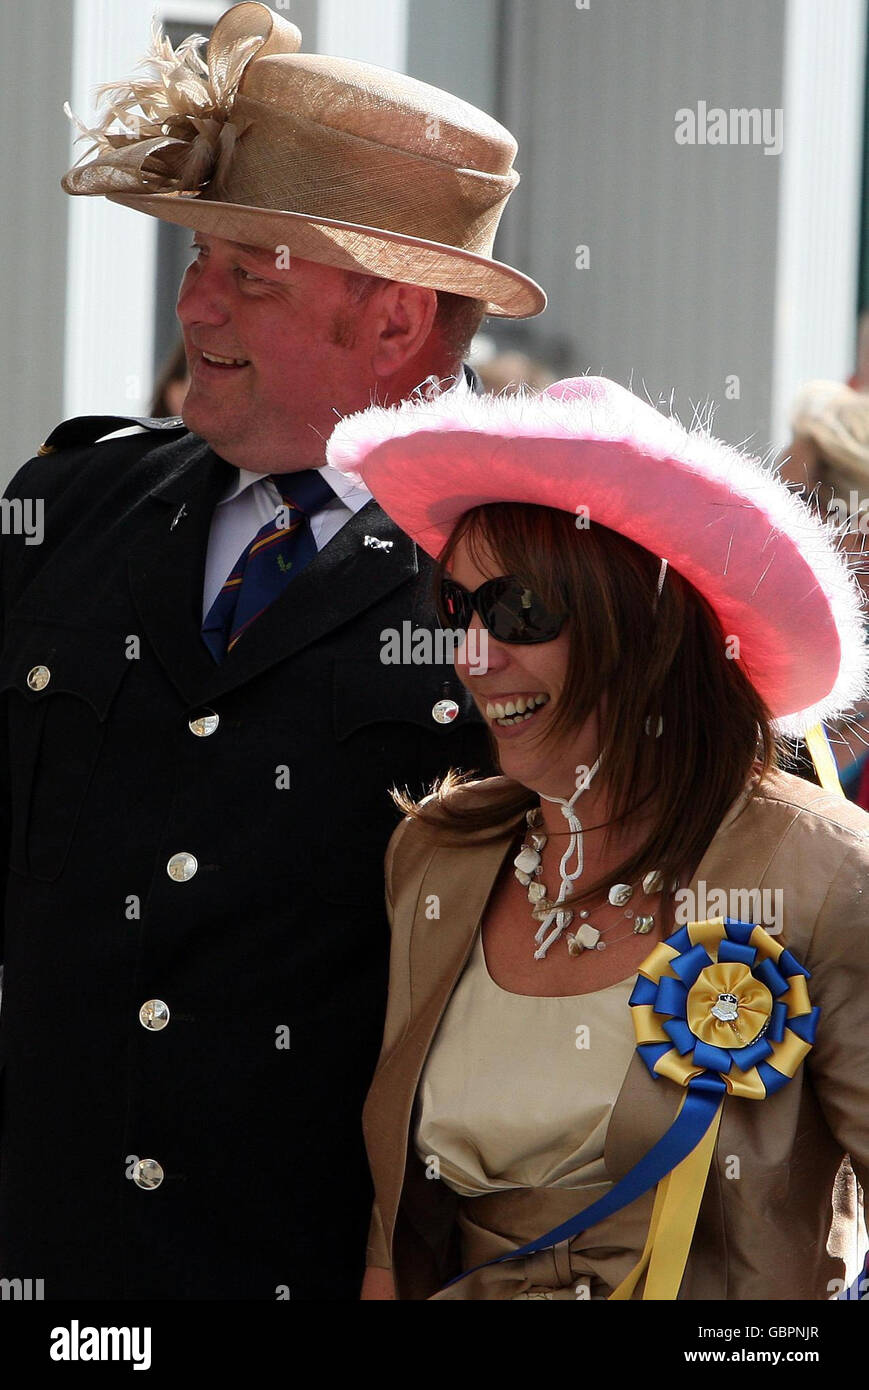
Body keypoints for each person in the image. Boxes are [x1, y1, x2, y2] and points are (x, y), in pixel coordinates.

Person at [0, 3, 545, 1300]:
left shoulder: (528, 587)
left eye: (250, 271)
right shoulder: (69, 506)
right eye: (199, 260)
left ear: (398, 321)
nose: (194, 305)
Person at [325, 374, 869, 1299]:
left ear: (647, 624)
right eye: (457, 610)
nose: (472, 655)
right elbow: (394, 1240)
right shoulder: (438, 856)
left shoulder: (825, 873)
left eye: (519, 611)